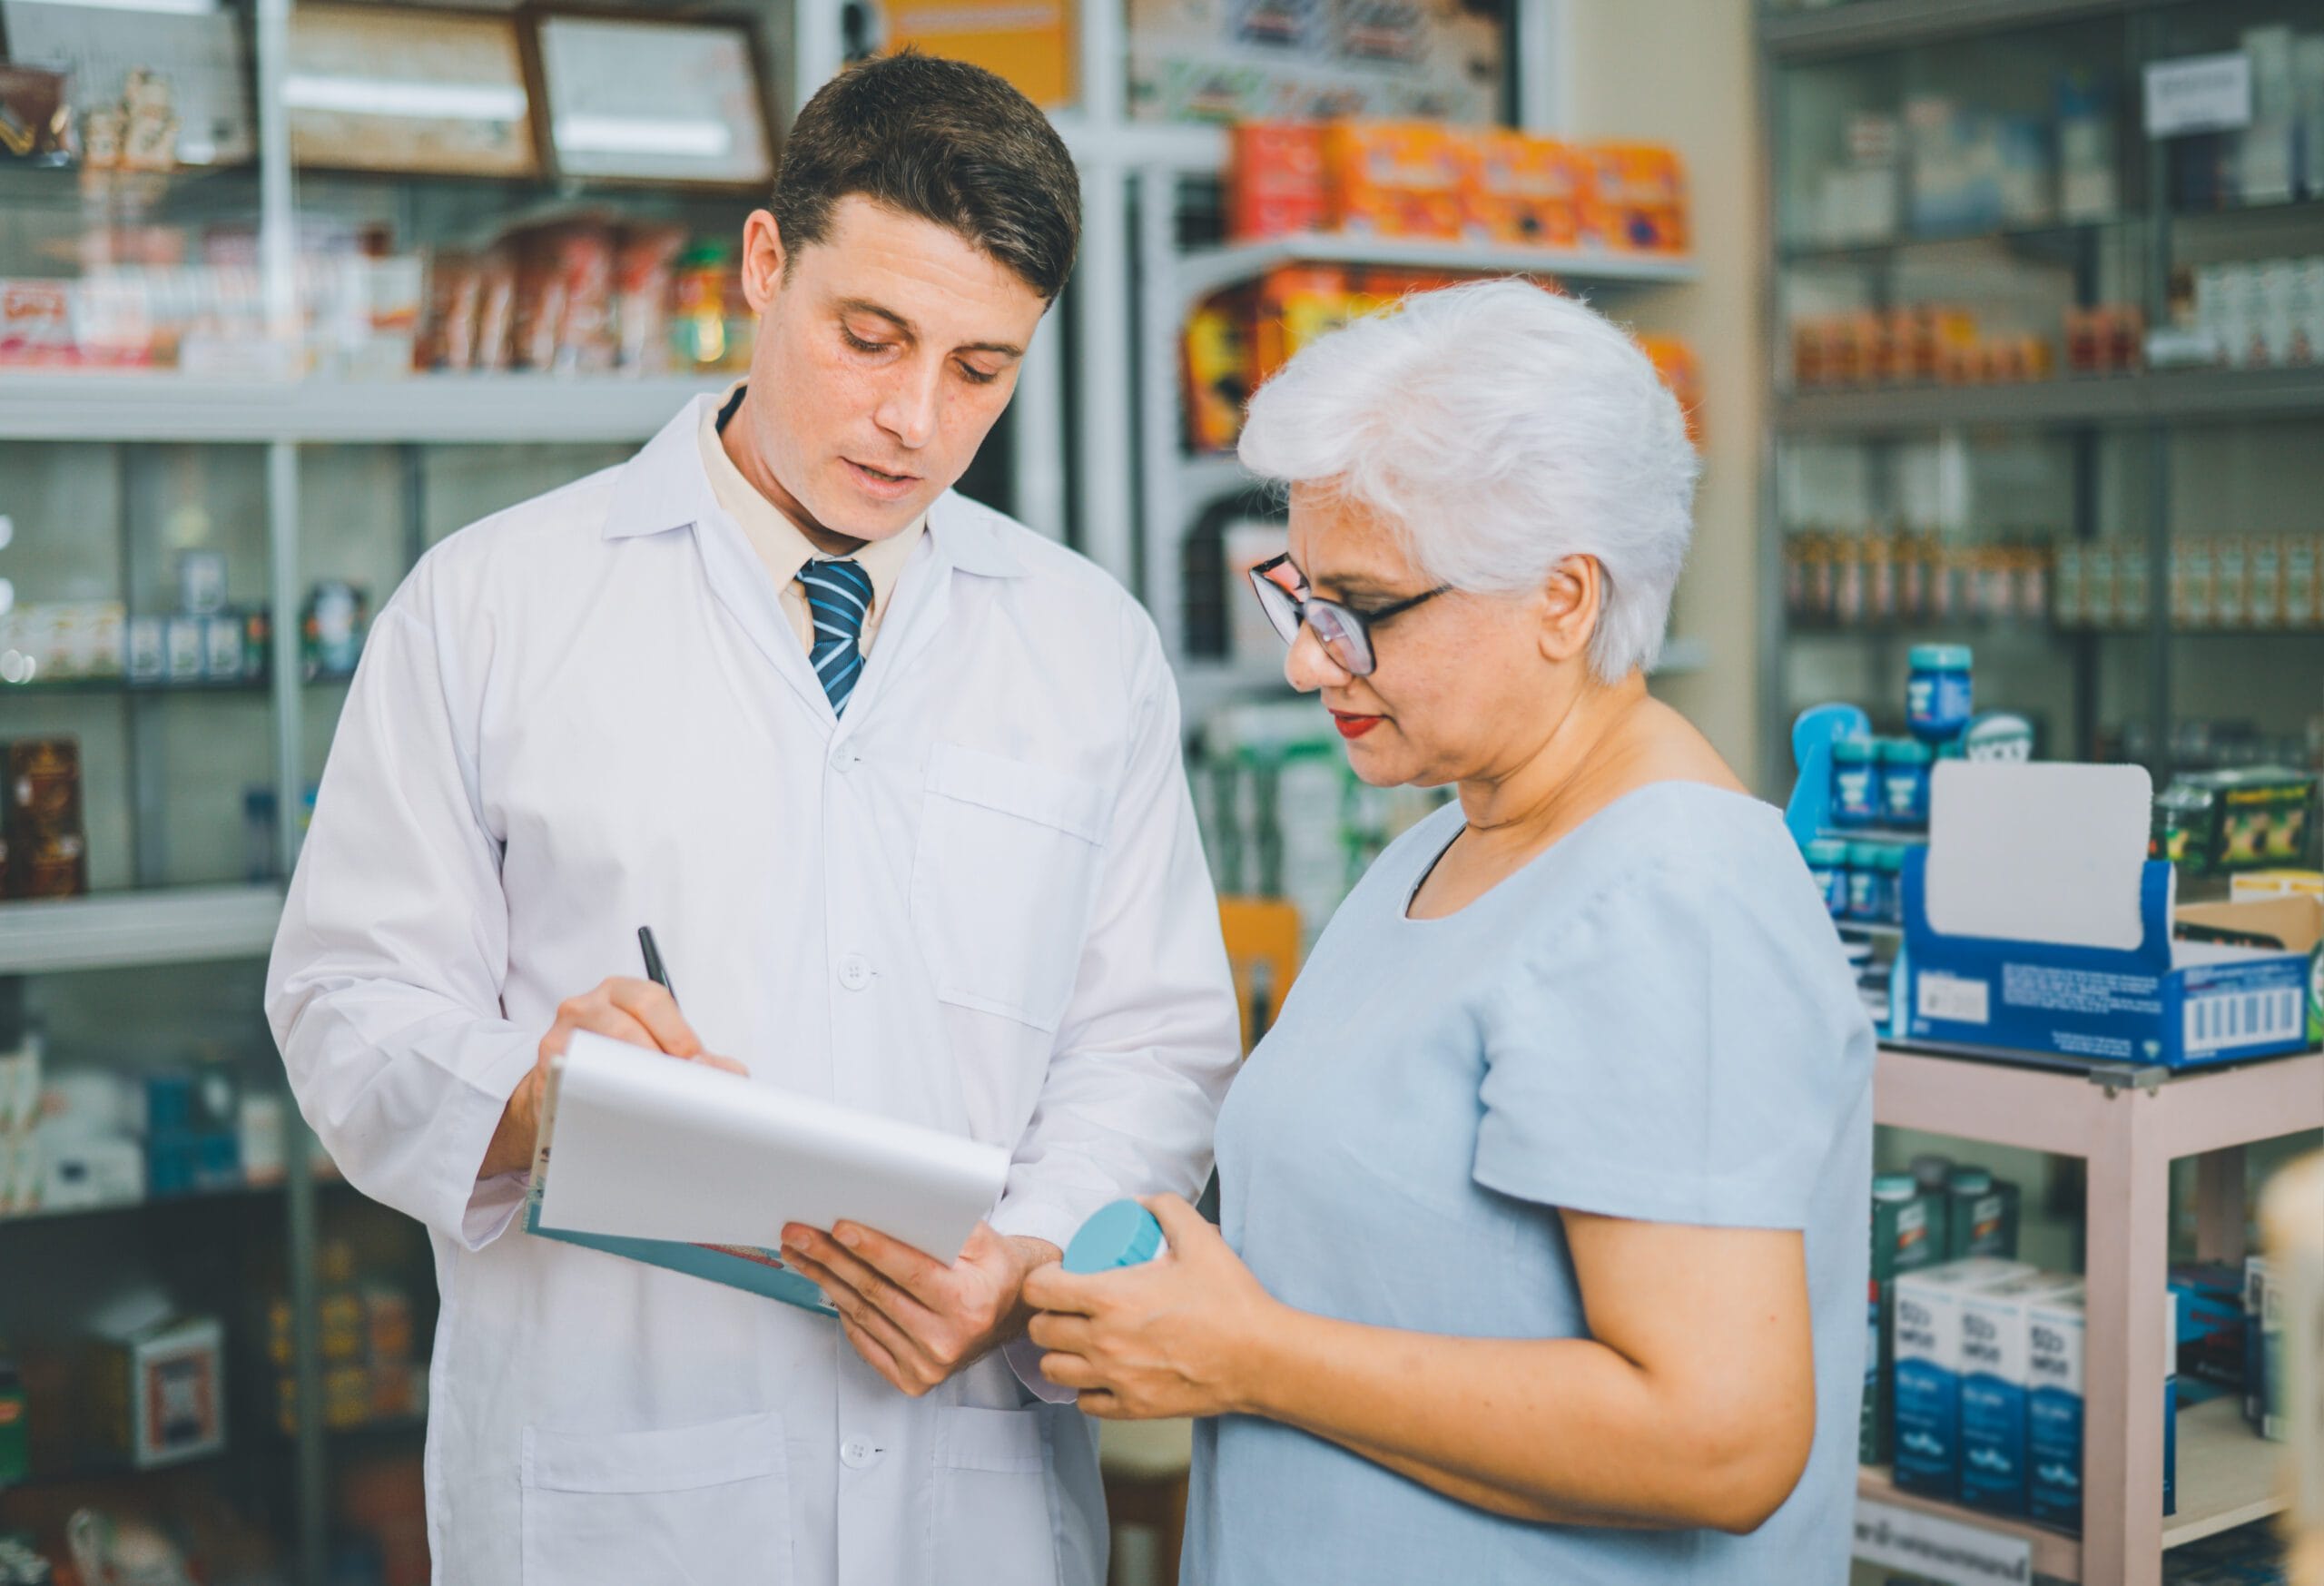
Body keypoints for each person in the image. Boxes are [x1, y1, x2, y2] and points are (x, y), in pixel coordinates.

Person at [264, 54, 1238, 1586]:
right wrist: (534, 1091)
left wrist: (1026, 1258)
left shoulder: (1084, 642)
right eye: (872, 338)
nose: (914, 419)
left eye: (980, 369)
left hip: (964, 1492)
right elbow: (345, 1004)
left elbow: (1152, 1045)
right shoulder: (494, 604)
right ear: (766, 266)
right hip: (619, 1492)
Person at [1024, 279, 1875, 1585]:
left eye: (1362, 605)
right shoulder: (1442, 840)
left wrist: (1248, 1358)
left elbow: (1721, 1440)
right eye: (1300, 596)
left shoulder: (1668, 898)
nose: (1311, 659)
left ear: (1563, 598)